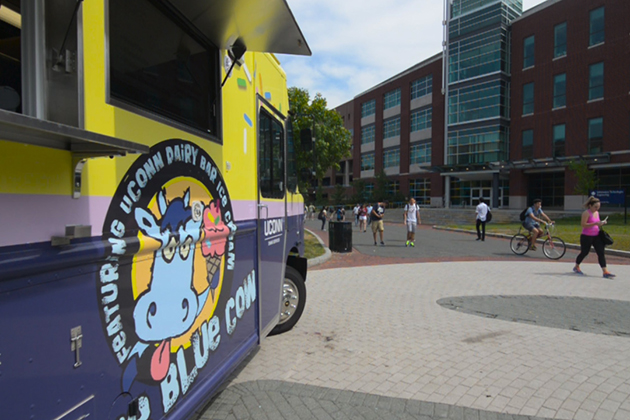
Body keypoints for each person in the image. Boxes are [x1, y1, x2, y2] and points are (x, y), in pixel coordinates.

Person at [573, 196, 615, 278]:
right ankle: (576, 266)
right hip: (586, 236)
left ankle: (605, 271)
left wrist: (601, 223)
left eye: (598, 207)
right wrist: (595, 224)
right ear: (590, 206)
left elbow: (597, 223)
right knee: (584, 252)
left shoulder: (597, 213)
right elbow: (583, 224)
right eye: (595, 207)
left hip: (596, 236)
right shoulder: (586, 213)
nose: (597, 208)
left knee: (601, 253)